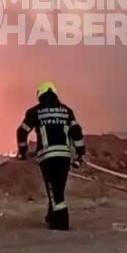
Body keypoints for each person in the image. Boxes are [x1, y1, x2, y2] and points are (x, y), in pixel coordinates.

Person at [16, 81, 85, 230]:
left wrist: (22, 152)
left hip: (48, 157)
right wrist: (80, 153)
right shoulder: (66, 111)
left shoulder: (35, 112)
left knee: (54, 189)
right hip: (64, 156)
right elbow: (77, 132)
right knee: (57, 188)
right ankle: (52, 216)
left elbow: (21, 131)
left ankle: (61, 222)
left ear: (40, 95)